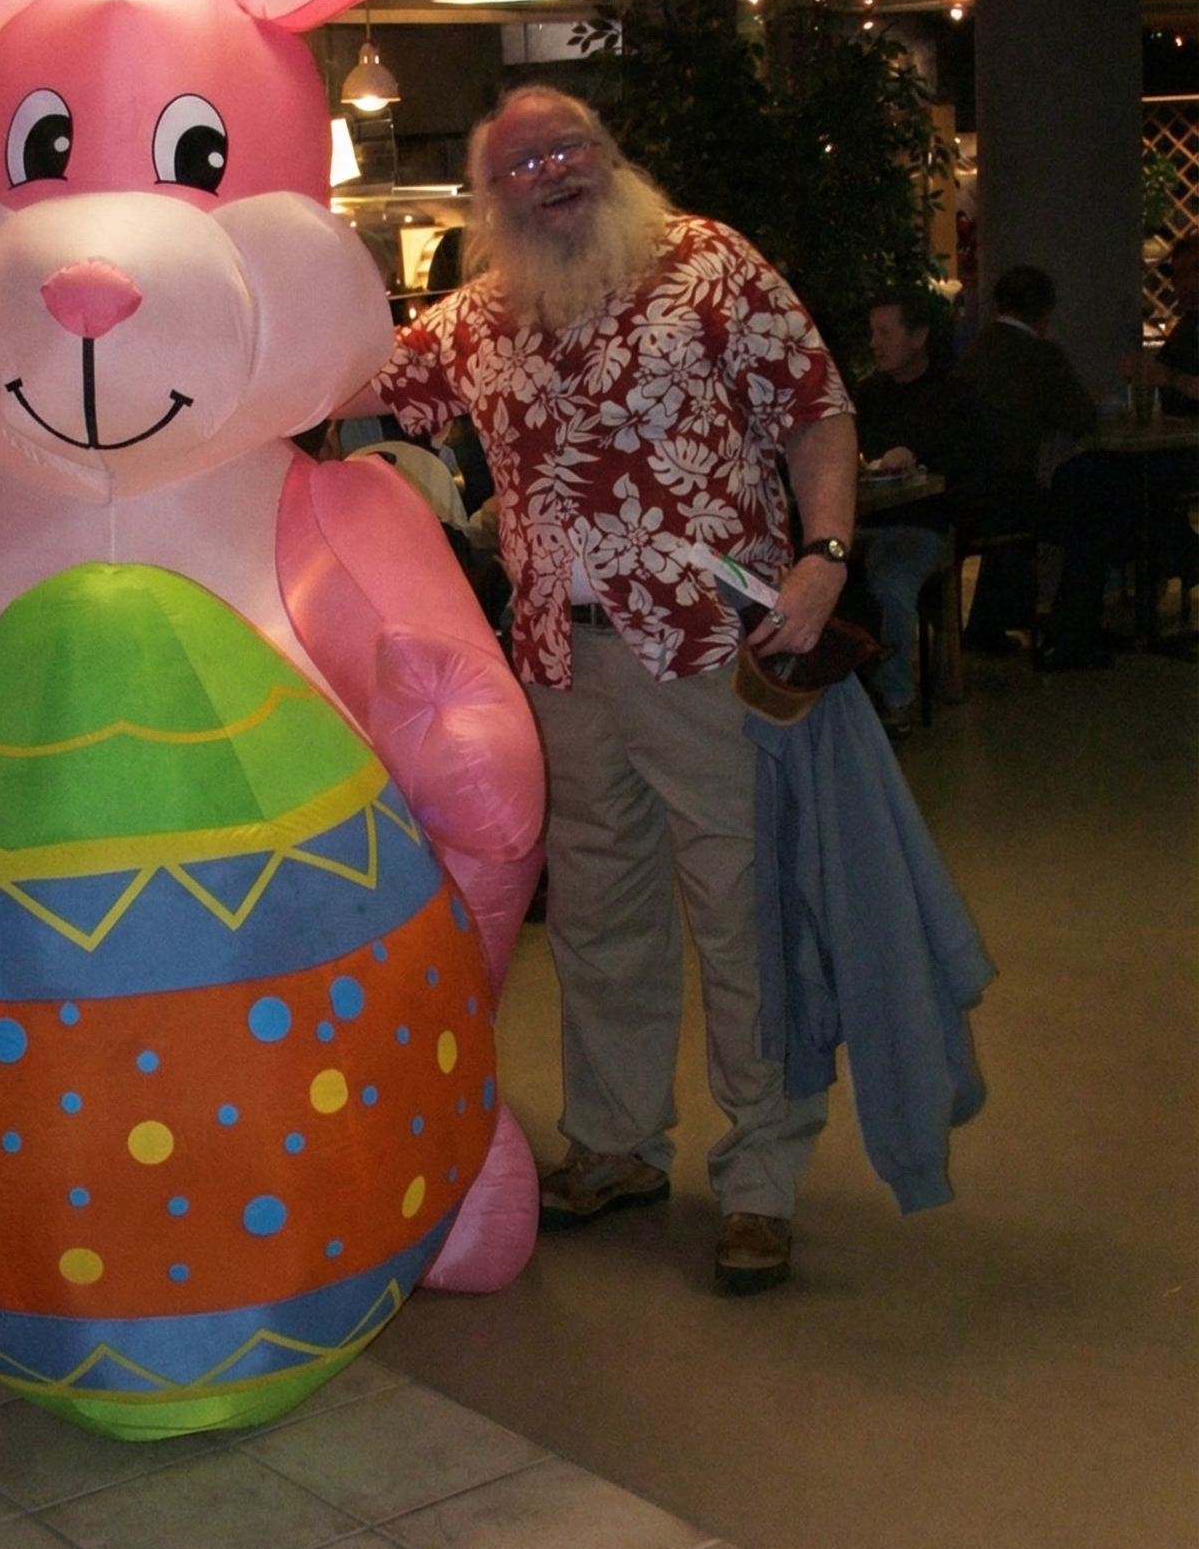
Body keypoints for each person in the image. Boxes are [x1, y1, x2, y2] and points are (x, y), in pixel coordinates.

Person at [356, 84, 858, 1295]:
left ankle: (757, 1179)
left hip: (704, 645)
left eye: (566, 147)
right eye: (520, 163)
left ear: (611, 155)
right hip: (558, 660)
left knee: (741, 914)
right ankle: (619, 1146)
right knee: (598, 919)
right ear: (489, 199)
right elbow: (351, 384)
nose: (550, 171)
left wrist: (826, 554)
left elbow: (816, 408)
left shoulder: (709, 265)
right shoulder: (476, 318)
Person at [1039, 230, 1199, 666]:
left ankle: (1077, 624)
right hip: (1164, 450)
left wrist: (1162, 377)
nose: (1184, 282)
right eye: (1179, 273)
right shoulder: (1187, 326)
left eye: (1193, 272)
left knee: (1096, 487)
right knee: (1087, 480)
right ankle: (1079, 624)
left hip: (1185, 455)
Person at [855, 288, 997, 734]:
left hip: (926, 523)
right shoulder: (867, 394)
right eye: (872, 333)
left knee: (889, 582)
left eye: (885, 332)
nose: (875, 343)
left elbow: (966, 473)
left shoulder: (954, 396)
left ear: (918, 336)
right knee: (817, 571)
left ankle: (897, 700)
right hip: (865, 520)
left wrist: (916, 458)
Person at [956, 265, 1096, 651]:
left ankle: (993, 622)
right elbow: (1081, 416)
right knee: (1094, 511)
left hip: (970, 493)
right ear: (1045, 312)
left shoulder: (976, 350)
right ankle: (1073, 627)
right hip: (1014, 491)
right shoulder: (1040, 355)